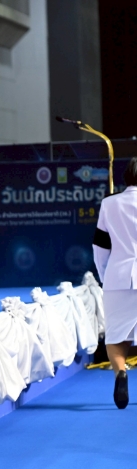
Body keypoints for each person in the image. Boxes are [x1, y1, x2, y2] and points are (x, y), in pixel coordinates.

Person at [93, 157, 137, 409]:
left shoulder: (109, 204)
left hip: (118, 279)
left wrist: (104, 276)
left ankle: (121, 372)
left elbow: (100, 246)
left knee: (116, 336)